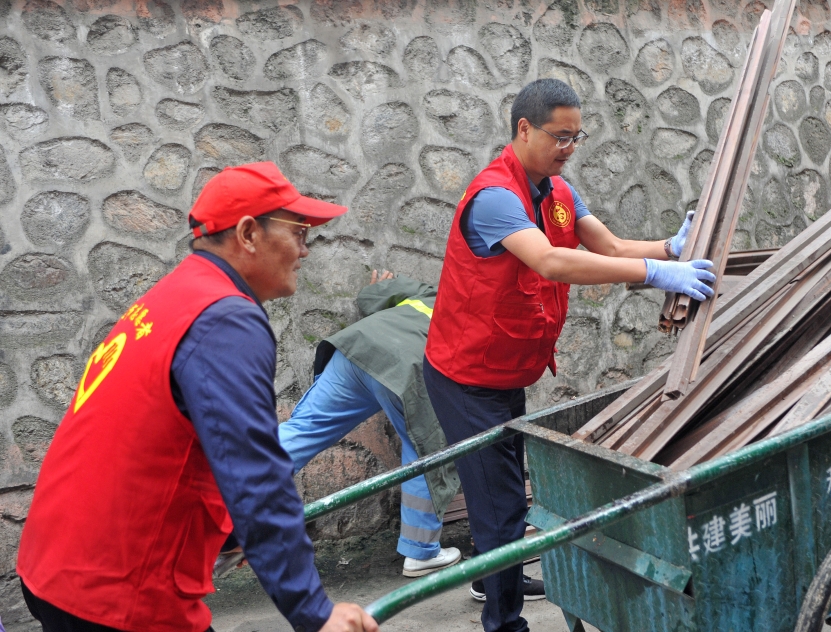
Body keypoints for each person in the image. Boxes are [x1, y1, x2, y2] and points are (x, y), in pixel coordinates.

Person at [17, 162, 378, 632]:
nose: (305, 249)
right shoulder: (225, 320)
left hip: (57, 564)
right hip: (117, 590)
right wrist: (316, 613)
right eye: (299, 232)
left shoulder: (175, 296)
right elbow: (256, 476)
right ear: (248, 233)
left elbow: (169, 436)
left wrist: (225, 533)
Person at [422, 78, 715, 632]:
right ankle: (504, 624)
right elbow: (551, 262)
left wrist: (668, 249)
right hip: (465, 378)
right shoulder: (494, 198)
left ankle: (496, 579)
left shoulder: (558, 192)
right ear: (524, 129)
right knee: (502, 508)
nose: (569, 148)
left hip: (505, 370)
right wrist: (655, 273)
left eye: (577, 137)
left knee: (503, 499)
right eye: (560, 137)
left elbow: (611, 247)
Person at [276, 270, 464, 578]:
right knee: (425, 453)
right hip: (408, 369)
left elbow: (370, 296)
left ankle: (220, 509)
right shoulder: (483, 318)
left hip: (358, 349)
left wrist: (379, 288)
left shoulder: (433, 290)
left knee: (302, 430)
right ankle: (421, 553)